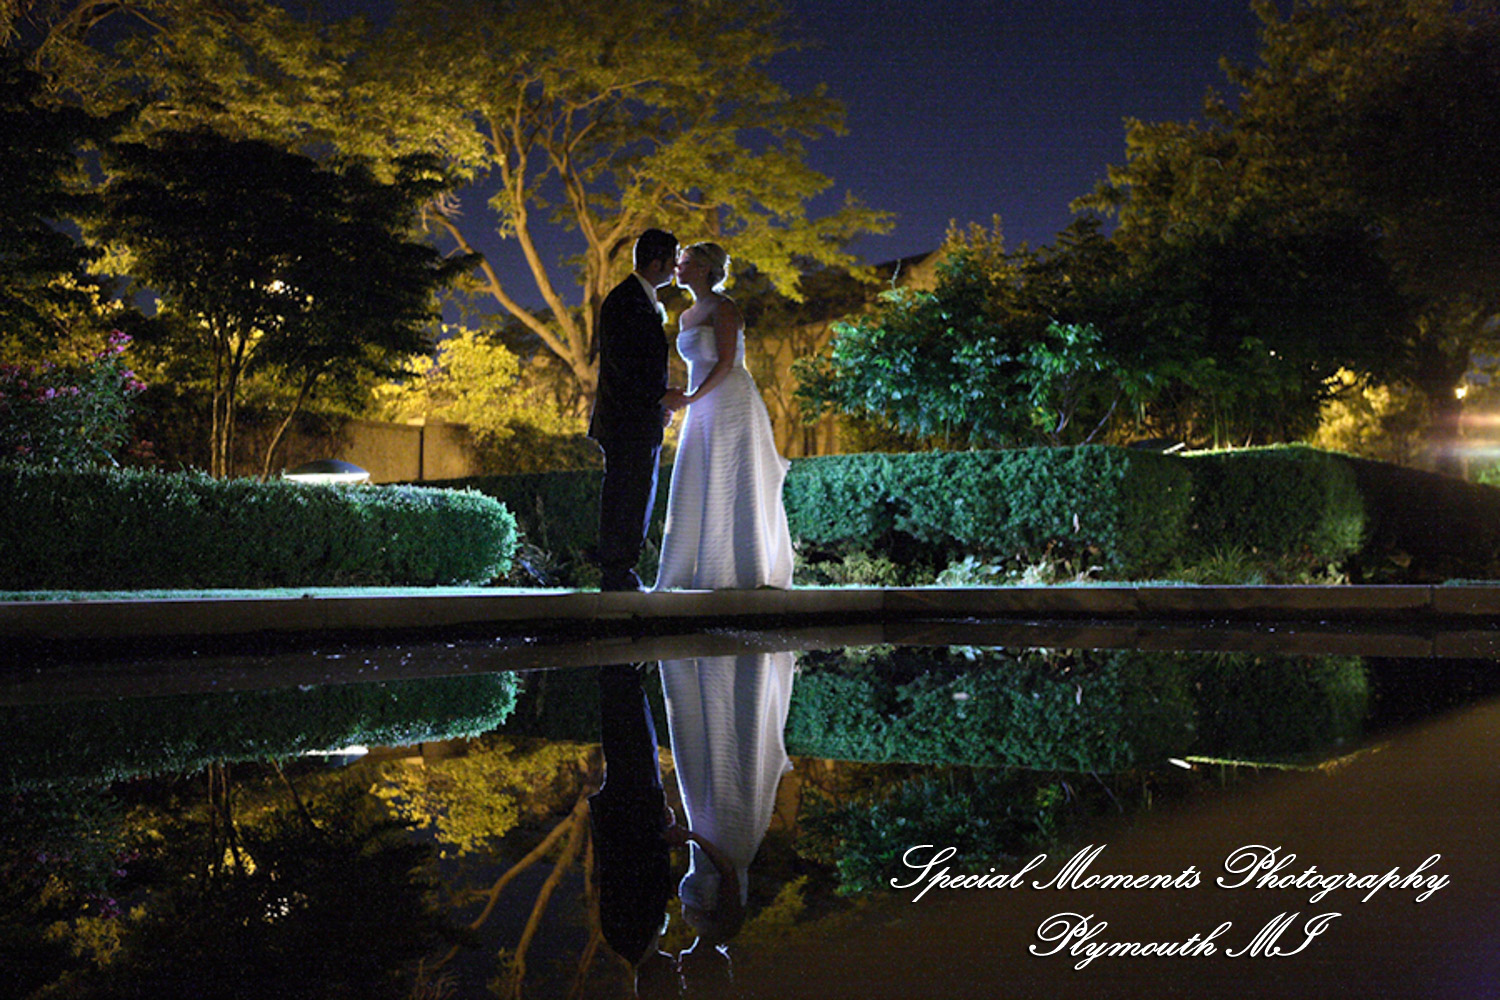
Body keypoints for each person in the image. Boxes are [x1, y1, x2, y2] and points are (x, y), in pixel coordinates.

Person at [653, 242, 793, 591]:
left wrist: (691, 399)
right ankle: (692, 568)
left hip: (730, 401)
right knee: (698, 474)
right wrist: (687, 399)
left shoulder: (724, 308)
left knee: (732, 476)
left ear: (702, 268)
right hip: (701, 402)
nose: (676, 267)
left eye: (683, 262)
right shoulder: (686, 316)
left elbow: (727, 361)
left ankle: (742, 569)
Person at [659, 651, 796, 955]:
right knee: (725, 768)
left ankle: (696, 666)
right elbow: (728, 873)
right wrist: (692, 837)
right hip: (727, 837)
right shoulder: (723, 927)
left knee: (698, 760)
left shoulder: (708, 928)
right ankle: (732, 668)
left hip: (709, 835)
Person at [589, 228, 688, 592]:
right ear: (657, 261)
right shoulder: (627, 301)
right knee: (628, 493)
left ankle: (620, 570)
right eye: (673, 260)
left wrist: (658, 400)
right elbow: (626, 367)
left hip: (633, 417)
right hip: (626, 420)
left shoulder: (637, 299)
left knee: (634, 491)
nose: (677, 268)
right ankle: (617, 571)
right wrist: (660, 397)